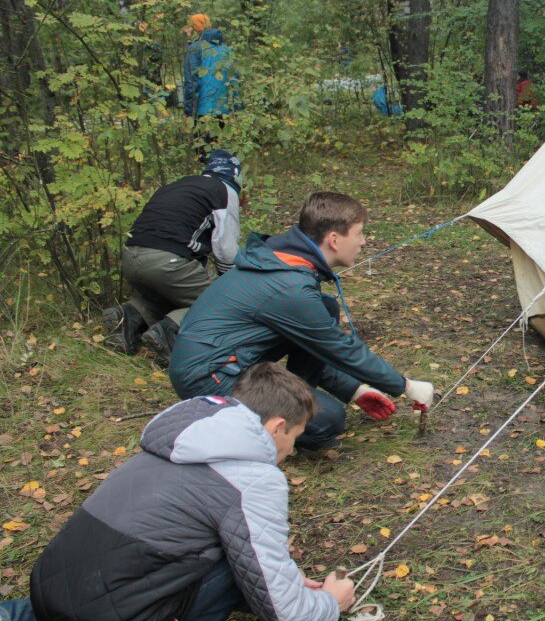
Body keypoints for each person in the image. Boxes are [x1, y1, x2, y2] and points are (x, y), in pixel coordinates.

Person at [0, 362, 357, 621]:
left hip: (48, 594)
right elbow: (285, 611)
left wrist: (289, 582)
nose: (292, 449)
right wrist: (328, 604)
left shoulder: (170, 445)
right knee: (236, 559)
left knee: (215, 549)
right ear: (277, 427)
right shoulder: (254, 480)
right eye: (295, 436)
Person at [168, 191, 436, 453]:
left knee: (326, 307)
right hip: (208, 378)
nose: (363, 242)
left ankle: (292, 397)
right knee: (328, 420)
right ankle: (238, 422)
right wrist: (406, 386)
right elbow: (340, 347)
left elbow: (314, 344)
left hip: (230, 361)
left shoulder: (284, 263)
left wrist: (355, 390)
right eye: (359, 233)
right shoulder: (289, 288)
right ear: (333, 239)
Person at [103, 150, 242, 367]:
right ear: (235, 175)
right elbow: (226, 248)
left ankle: (127, 317)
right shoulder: (225, 190)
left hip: (131, 257)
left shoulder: (179, 185)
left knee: (170, 296)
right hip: (167, 262)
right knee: (218, 303)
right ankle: (168, 331)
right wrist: (230, 285)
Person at [183, 14, 240, 160]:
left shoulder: (195, 49)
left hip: (204, 109)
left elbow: (191, 82)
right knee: (223, 152)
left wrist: (188, 111)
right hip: (225, 109)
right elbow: (234, 80)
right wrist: (237, 109)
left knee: (204, 155)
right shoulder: (227, 50)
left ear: (196, 27)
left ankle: (207, 180)